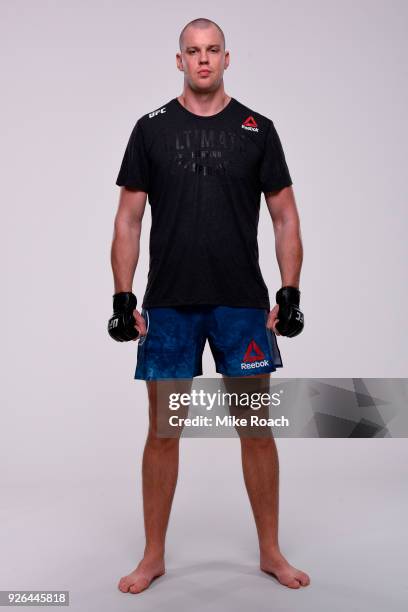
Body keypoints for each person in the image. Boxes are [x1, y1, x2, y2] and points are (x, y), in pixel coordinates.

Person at [109, 17, 309, 594]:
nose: (203, 60)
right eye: (192, 52)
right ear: (179, 61)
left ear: (227, 57)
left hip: (241, 303)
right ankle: (153, 556)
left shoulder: (257, 129)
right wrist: (123, 297)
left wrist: (288, 291)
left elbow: (285, 214)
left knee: (256, 429)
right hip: (169, 303)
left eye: (212, 50)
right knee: (164, 431)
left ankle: (270, 551)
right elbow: (128, 218)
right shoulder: (151, 130)